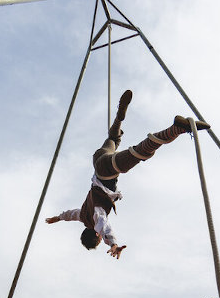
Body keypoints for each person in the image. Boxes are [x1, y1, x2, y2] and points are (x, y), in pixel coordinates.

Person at [45, 90, 209, 260]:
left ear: (96, 235)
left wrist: (113, 244)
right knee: (113, 140)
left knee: (139, 153)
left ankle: (176, 129)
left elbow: (104, 227)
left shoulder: (96, 216)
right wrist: (57, 218)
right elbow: (70, 214)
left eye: (99, 239)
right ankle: (119, 117)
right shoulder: (83, 215)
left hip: (107, 170)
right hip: (98, 160)